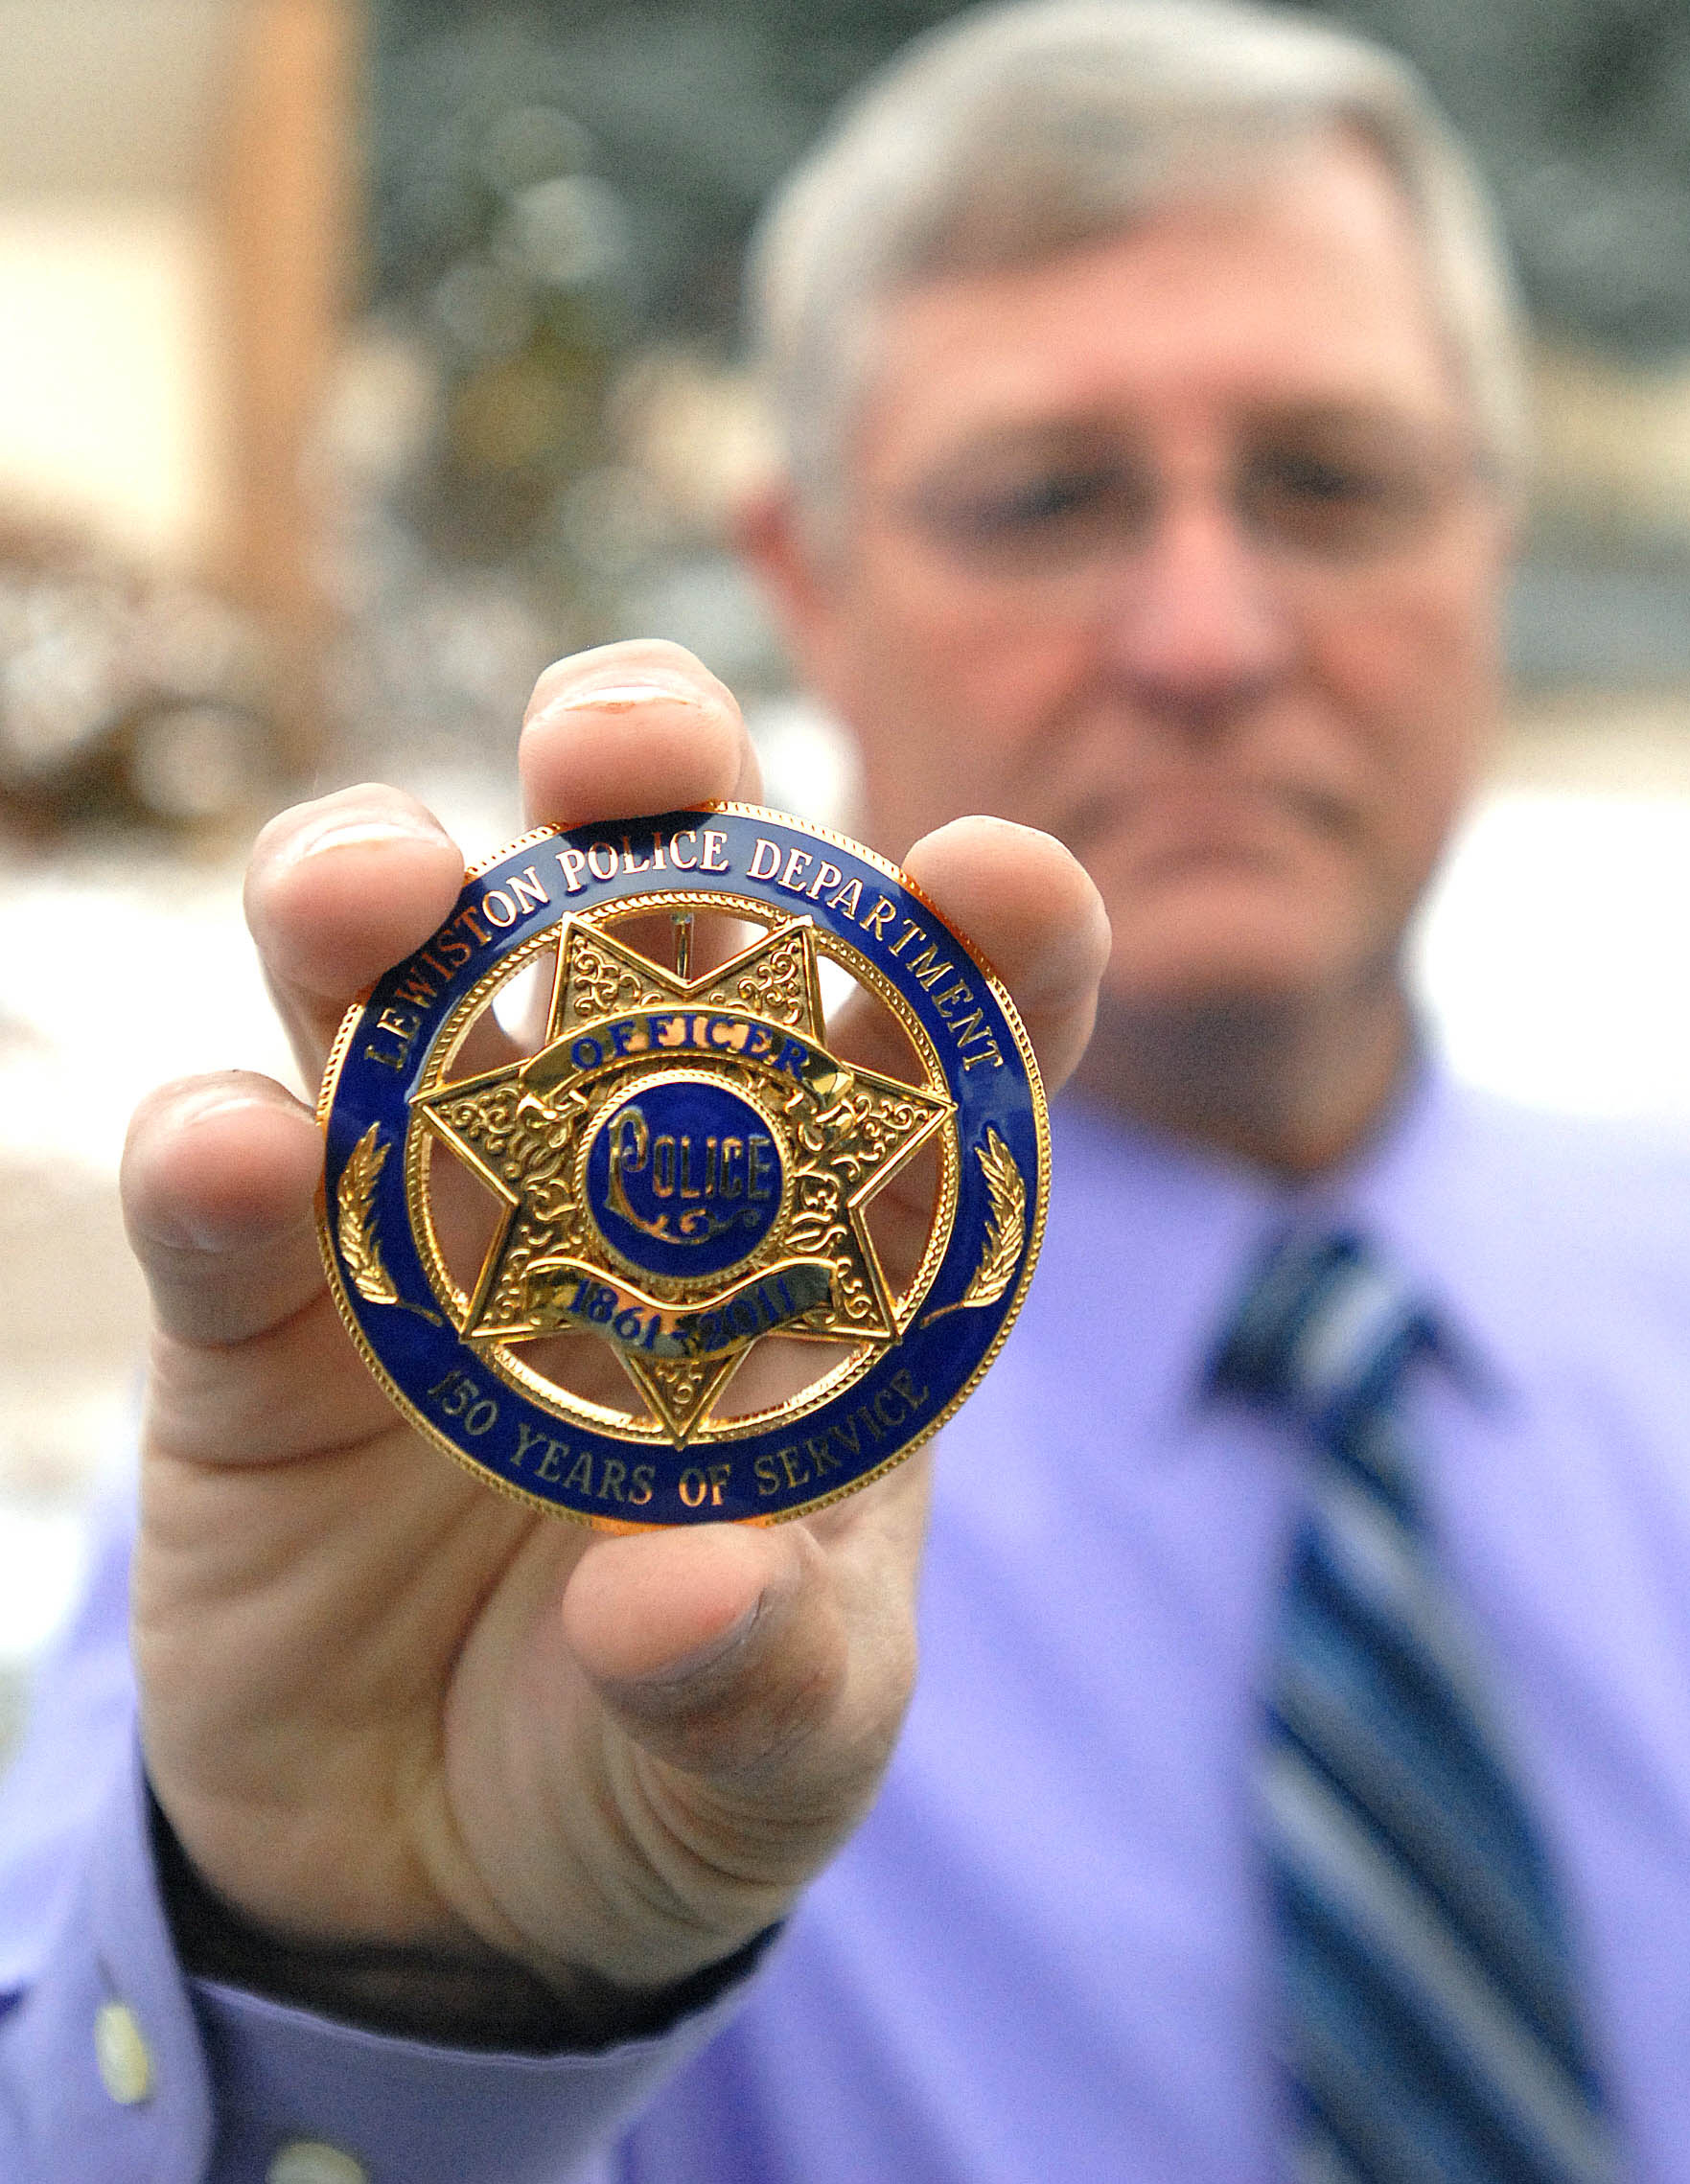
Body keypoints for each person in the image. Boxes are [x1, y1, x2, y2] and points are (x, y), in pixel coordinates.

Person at [6, 2, 1690, 2178]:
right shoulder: (443, 1443)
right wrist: (356, 2004)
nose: (1208, 631)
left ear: (1490, 531)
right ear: (805, 573)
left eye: (1331, 482)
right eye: (1046, 498)